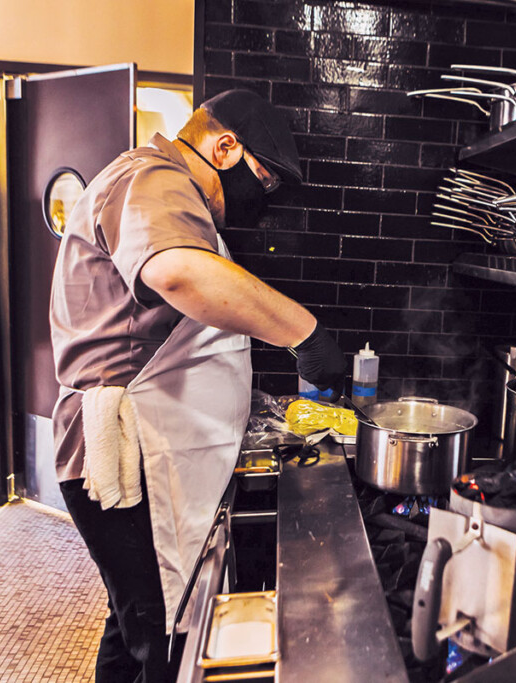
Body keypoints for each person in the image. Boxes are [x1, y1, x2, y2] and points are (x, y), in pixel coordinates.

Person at [49, 89, 345, 683]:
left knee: (135, 622)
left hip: (144, 450)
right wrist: (306, 337)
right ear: (224, 146)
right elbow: (179, 272)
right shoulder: (151, 176)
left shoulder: (172, 196)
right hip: (122, 455)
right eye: (262, 183)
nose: (261, 205)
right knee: (157, 639)